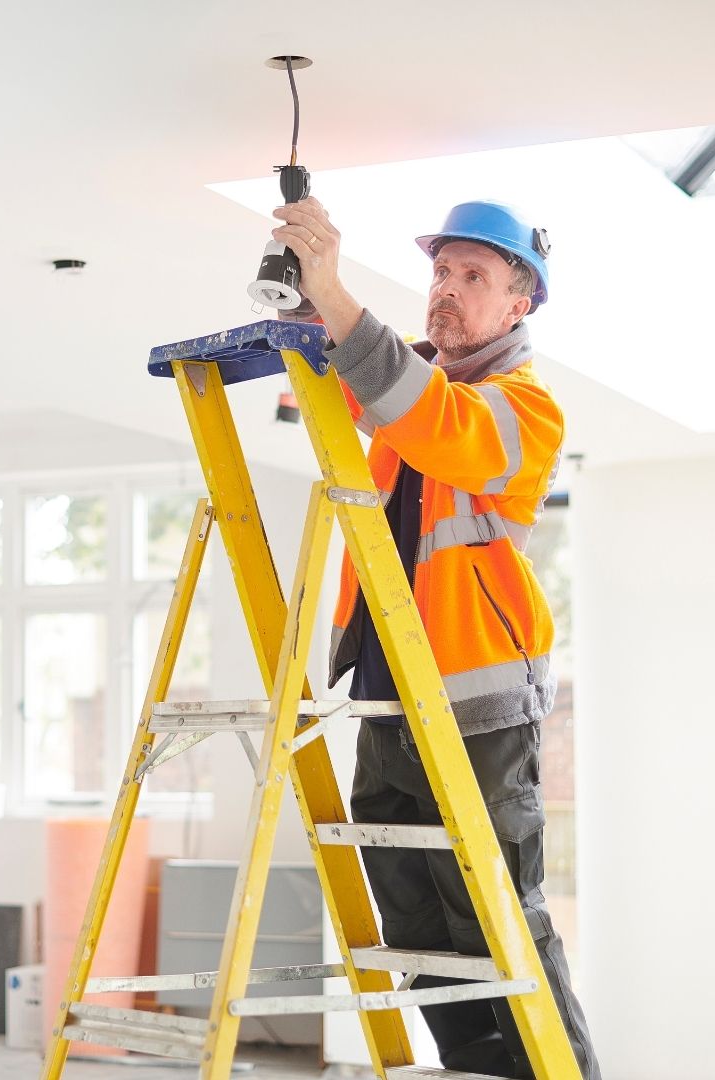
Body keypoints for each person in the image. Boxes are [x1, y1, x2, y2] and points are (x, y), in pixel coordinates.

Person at [269, 198, 600, 1079]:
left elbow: (435, 424)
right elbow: (335, 393)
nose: (446, 293)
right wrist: (306, 297)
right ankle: (479, 1068)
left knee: (492, 910)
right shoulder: (409, 385)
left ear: (517, 305)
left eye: (474, 278)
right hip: (386, 694)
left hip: (475, 706)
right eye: (441, 273)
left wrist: (339, 299)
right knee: (414, 918)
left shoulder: (524, 410)